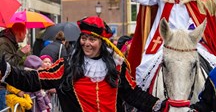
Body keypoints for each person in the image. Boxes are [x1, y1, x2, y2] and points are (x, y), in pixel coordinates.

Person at [0, 16, 165, 112]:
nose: (86, 43)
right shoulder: (68, 66)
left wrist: (162, 106)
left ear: (102, 42)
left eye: (92, 39)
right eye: (84, 38)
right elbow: (33, 79)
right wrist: (6, 69)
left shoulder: (117, 67)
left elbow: (133, 94)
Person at [0, 23, 30, 110]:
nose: (26, 36)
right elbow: (7, 65)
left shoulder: (9, 41)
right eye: (25, 33)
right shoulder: (4, 42)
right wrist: (21, 53)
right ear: (20, 33)